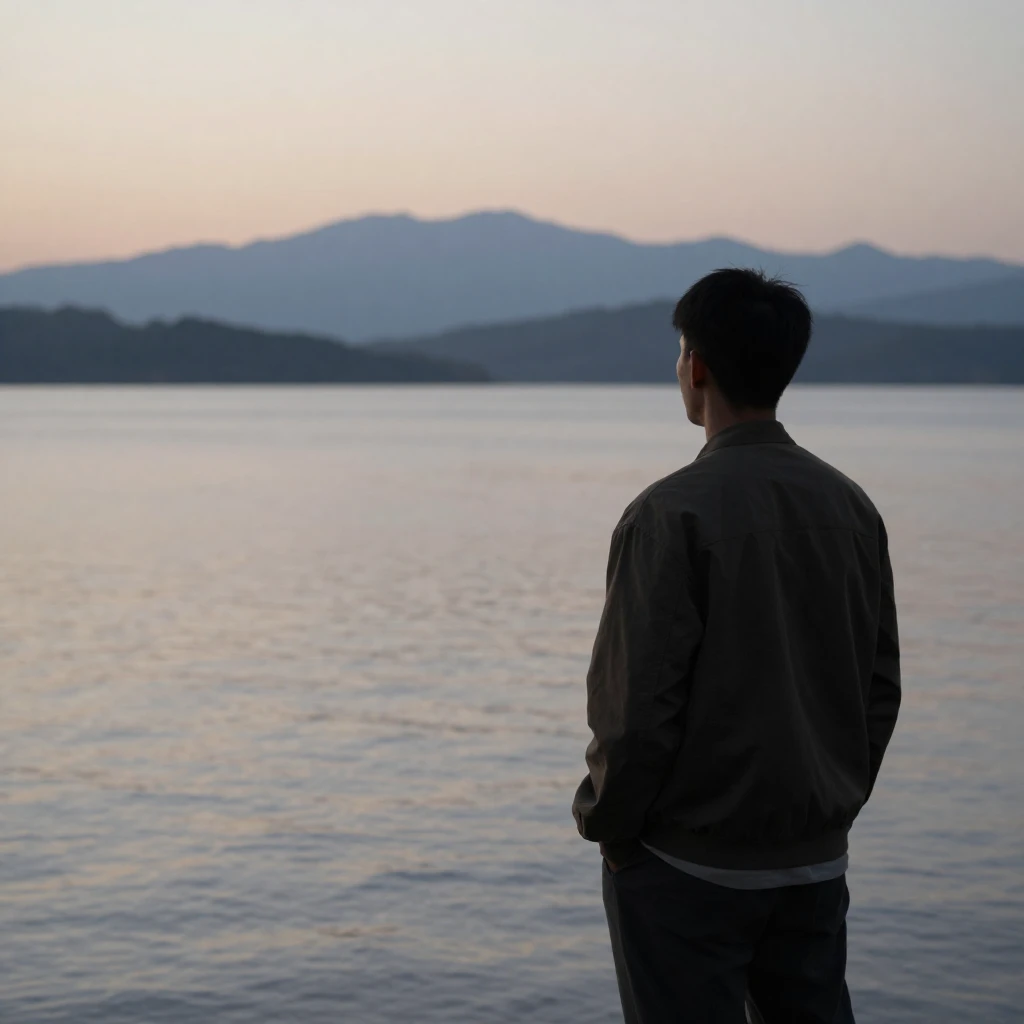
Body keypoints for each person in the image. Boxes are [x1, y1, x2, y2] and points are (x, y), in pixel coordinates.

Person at [572, 269, 901, 1023]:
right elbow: (880, 686)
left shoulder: (668, 514)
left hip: (688, 867)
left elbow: (635, 712)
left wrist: (611, 827)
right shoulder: (851, 508)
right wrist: (831, 805)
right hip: (813, 859)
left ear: (696, 368)